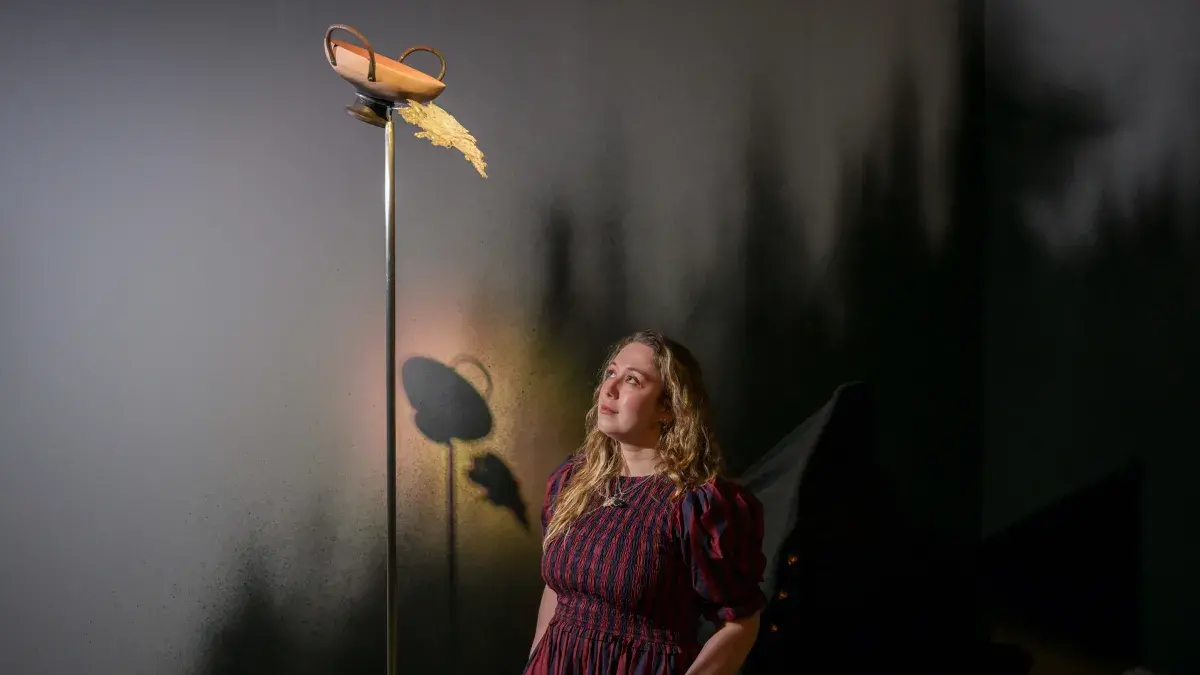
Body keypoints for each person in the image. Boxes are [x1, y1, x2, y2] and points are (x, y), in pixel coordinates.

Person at [524, 330, 767, 675]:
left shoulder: (695, 505)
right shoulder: (573, 481)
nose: (610, 389)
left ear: (667, 407)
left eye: (633, 380)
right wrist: (536, 661)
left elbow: (740, 622)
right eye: (611, 373)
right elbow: (557, 590)